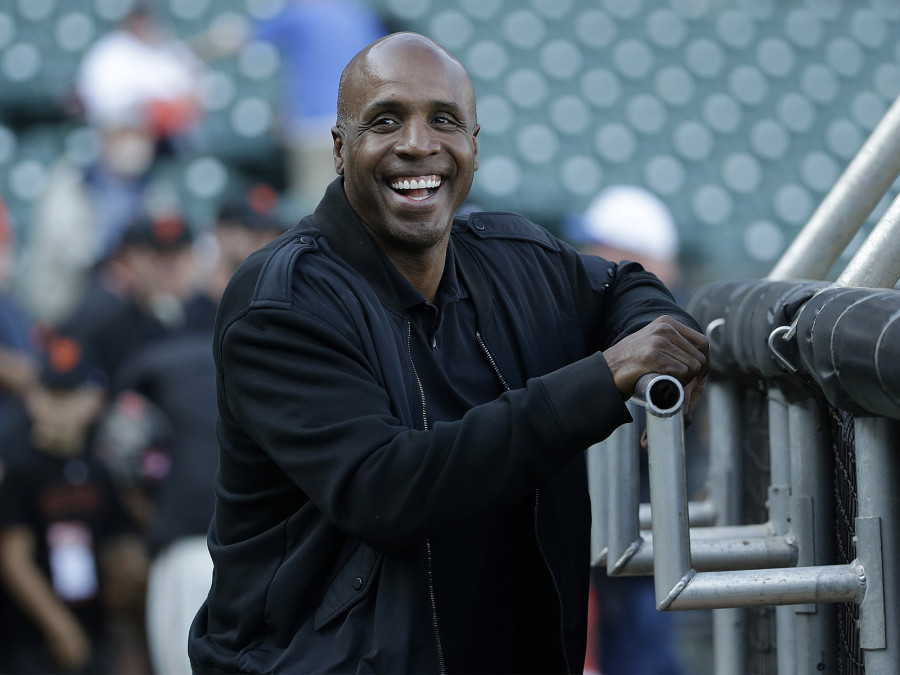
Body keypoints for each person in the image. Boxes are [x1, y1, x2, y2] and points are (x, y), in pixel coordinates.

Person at [188, 32, 709, 674]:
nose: (417, 144)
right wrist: (603, 379)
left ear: (473, 146)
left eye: (444, 120)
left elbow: (626, 286)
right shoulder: (282, 302)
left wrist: (661, 345)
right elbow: (387, 488)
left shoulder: (517, 259)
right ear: (339, 148)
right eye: (385, 121)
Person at [567, 185, 688, 675]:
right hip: (610, 527)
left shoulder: (663, 330)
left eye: (603, 245)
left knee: (644, 654)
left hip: (647, 529)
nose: (591, 257)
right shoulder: (597, 318)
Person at [0, 335, 146, 674]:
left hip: (94, 626)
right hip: (33, 635)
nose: (56, 407)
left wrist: (128, 570)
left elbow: (119, 539)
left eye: (68, 396)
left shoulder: (100, 465)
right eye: (49, 393)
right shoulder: (21, 465)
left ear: (94, 400)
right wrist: (58, 625)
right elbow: (13, 557)